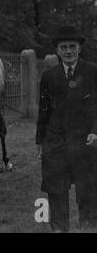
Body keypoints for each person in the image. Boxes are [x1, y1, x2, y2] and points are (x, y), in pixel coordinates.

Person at [36, 25, 97, 232]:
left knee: (88, 186)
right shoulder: (49, 76)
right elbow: (43, 111)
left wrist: (95, 131)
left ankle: (88, 225)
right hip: (55, 141)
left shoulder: (92, 71)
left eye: (72, 46)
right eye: (64, 47)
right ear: (57, 50)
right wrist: (41, 141)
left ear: (79, 48)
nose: (69, 51)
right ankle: (59, 228)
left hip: (86, 140)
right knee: (56, 186)